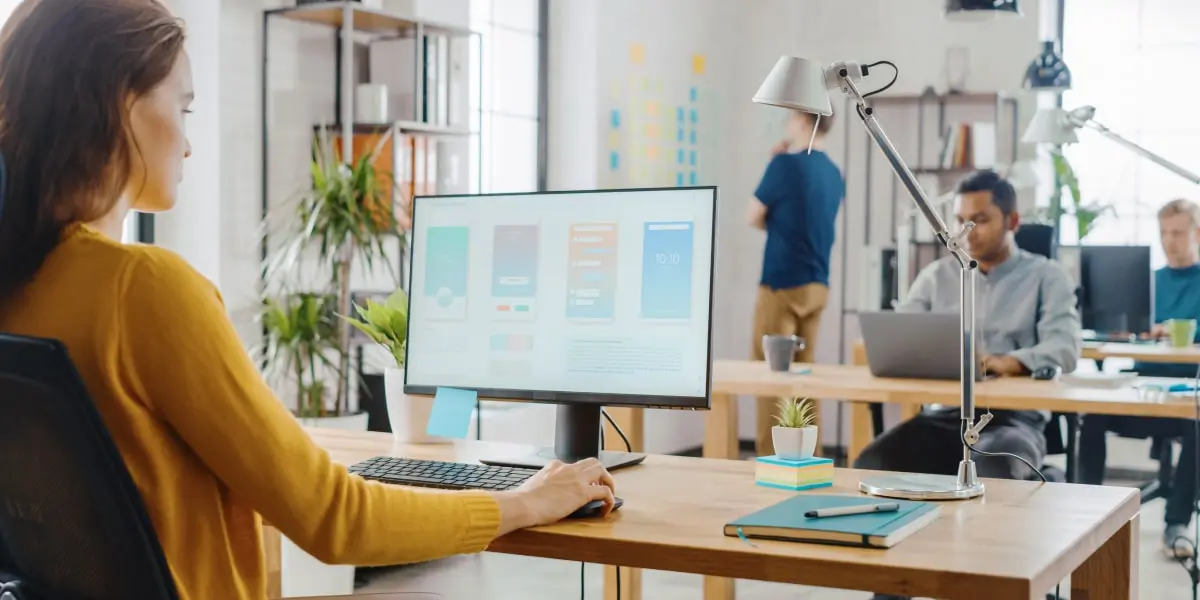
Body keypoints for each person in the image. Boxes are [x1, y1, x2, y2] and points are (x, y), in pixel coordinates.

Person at [0, 2, 615, 598]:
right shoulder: (142, 290)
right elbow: (334, 517)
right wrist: (525, 501)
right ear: (120, 105)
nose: (188, 144)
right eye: (183, 108)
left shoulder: (19, 282)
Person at [1079, 198, 1200, 559]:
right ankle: (1089, 512)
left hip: (1187, 391)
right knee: (1093, 414)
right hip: (1142, 388)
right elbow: (1129, 328)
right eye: (1164, 233)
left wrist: (1176, 333)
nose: (1169, 241)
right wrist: (1122, 330)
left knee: (1197, 423)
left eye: (1178, 232)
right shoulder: (1148, 282)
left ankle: (1176, 522)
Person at [747, 109, 845, 454]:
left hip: (781, 282)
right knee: (806, 377)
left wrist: (774, 163)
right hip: (818, 284)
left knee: (771, 376)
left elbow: (754, 216)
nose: (787, 125)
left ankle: (771, 459)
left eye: (791, 118)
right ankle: (810, 457)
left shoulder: (783, 165)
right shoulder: (835, 174)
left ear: (805, 121)